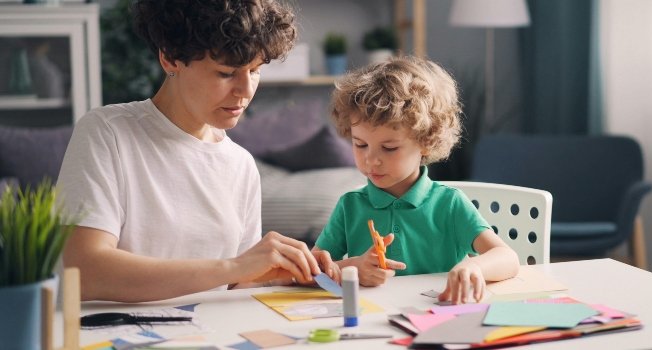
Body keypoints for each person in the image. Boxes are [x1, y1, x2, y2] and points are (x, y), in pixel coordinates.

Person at [57, 0, 338, 303]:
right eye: (226, 73)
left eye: (255, 70)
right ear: (170, 59)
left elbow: (230, 284)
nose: (245, 90)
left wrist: (279, 274)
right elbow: (83, 271)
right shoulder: (108, 133)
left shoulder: (240, 165)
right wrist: (235, 267)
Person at [312, 56, 520, 305]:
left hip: (438, 318)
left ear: (426, 142)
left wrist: (474, 267)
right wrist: (352, 267)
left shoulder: (449, 204)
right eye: (360, 144)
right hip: (370, 323)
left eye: (389, 148)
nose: (371, 160)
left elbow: (507, 257)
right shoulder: (350, 206)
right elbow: (312, 270)